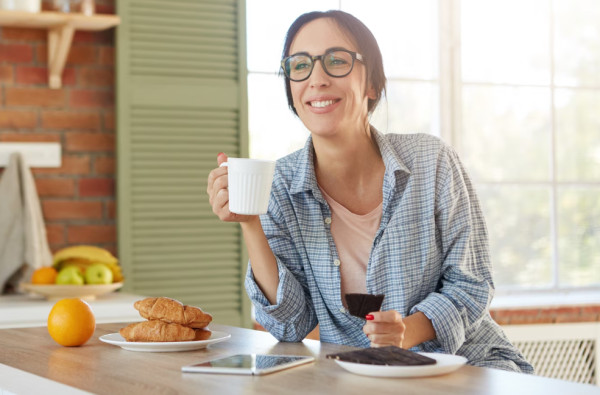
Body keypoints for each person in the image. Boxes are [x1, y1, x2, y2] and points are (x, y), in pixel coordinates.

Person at [207, 10, 533, 373]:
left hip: (466, 366)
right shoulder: (280, 185)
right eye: (300, 66)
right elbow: (290, 325)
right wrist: (250, 222)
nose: (316, 79)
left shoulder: (432, 161)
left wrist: (406, 331)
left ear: (372, 84)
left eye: (336, 61)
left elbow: (471, 284)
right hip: (360, 378)